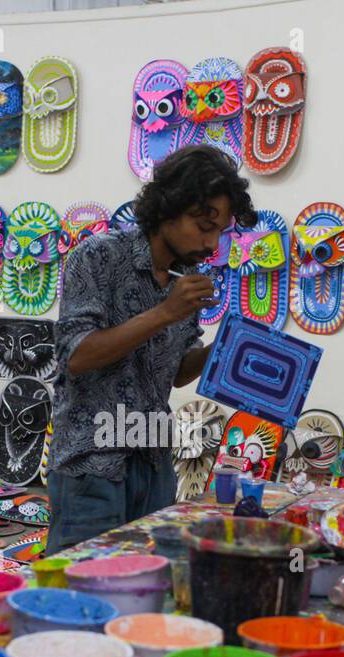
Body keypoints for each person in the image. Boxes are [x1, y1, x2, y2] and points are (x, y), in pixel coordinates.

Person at [46, 145, 258, 552]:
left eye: (219, 231)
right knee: (82, 600)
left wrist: (227, 348)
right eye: (203, 226)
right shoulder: (98, 257)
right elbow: (77, 356)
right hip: (93, 466)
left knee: (148, 597)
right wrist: (165, 312)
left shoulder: (187, 276)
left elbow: (176, 371)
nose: (212, 243)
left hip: (154, 461)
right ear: (168, 208)